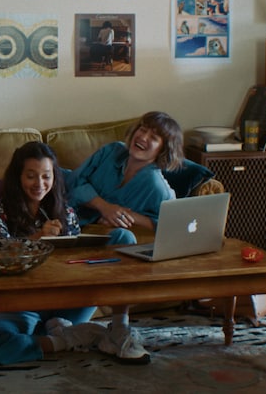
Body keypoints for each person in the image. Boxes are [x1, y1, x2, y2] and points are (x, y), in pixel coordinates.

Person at [65, 111, 185, 364]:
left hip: (99, 236)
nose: (142, 137)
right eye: (142, 129)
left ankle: (120, 327)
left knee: (123, 236)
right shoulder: (111, 151)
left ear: (163, 150)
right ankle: (84, 330)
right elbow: (75, 181)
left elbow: (174, 222)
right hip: (66, 211)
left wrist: (133, 216)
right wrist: (103, 206)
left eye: (153, 137)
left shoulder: (155, 185)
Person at [0, 142, 107, 365]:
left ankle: (65, 332)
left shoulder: (66, 211)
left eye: (46, 176)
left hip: (66, 301)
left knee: (123, 239)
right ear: (18, 177)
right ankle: (62, 341)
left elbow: (78, 262)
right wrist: (38, 237)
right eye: (31, 176)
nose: (39, 184)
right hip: (23, 304)